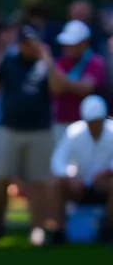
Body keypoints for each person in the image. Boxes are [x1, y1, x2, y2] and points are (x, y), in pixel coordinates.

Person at [0, 24, 54, 245]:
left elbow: (58, 87)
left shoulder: (45, 64)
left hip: (39, 130)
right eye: (24, 43)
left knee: (37, 181)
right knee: (1, 178)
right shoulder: (8, 62)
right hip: (10, 128)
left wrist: (47, 59)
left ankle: (37, 228)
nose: (27, 47)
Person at [50, 95, 113, 241]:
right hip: (79, 186)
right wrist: (70, 177)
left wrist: (108, 172)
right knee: (55, 184)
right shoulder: (74, 132)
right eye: (91, 122)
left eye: (97, 122)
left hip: (104, 187)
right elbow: (57, 161)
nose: (95, 126)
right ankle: (58, 231)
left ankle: (110, 230)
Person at [49, 19, 107, 142]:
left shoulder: (95, 62)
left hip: (87, 126)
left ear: (84, 43)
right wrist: (70, 84)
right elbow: (55, 88)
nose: (68, 47)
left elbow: (85, 88)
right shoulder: (61, 62)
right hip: (61, 122)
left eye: (73, 43)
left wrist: (63, 81)